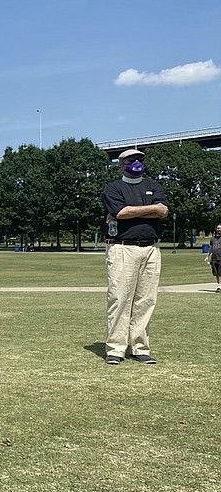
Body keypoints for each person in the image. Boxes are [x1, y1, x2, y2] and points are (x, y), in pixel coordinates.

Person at [103, 148, 169, 365]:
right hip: (122, 248)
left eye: (140, 159)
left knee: (146, 300)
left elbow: (163, 211)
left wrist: (131, 211)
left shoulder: (154, 186)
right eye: (132, 160)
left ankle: (140, 347)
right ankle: (116, 348)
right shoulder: (113, 188)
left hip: (151, 249)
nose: (137, 163)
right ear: (122, 164)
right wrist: (151, 209)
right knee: (120, 298)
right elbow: (120, 212)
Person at [206, 224, 221, 293]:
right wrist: (207, 256)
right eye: (218, 228)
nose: (219, 229)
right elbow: (211, 248)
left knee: (220, 273)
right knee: (216, 273)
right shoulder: (212, 238)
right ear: (216, 229)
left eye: (220, 228)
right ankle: (219, 285)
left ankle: (219, 286)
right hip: (214, 258)